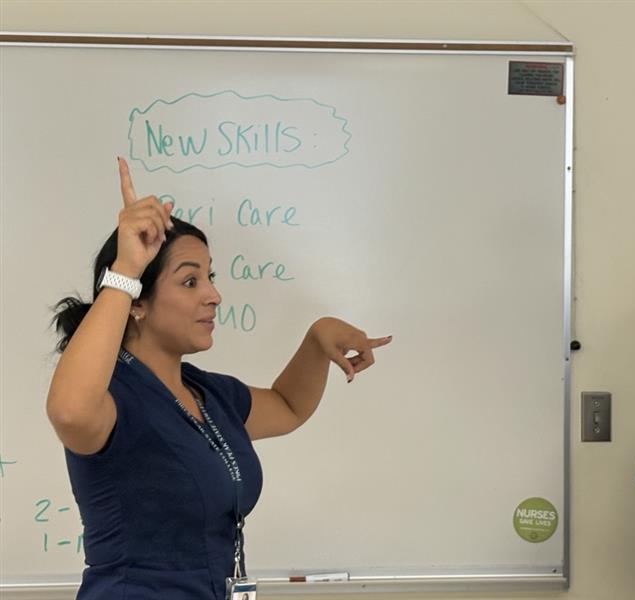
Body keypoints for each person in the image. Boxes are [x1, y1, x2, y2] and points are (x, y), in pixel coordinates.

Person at [47, 158, 392, 600]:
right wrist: (126, 270)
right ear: (138, 302)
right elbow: (69, 411)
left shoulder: (205, 392)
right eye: (190, 281)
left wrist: (316, 337)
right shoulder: (114, 397)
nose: (214, 295)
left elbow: (288, 406)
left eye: (209, 277)